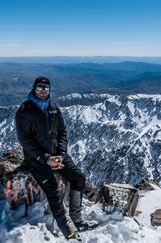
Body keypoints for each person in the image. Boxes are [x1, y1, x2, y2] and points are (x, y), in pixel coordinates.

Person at [15, 76, 94, 240]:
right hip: (36, 159)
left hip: (57, 155)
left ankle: (77, 220)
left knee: (78, 178)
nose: (42, 91)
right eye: (39, 88)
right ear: (34, 89)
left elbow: (62, 132)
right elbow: (26, 141)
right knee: (54, 192)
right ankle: (69, 232)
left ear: (49, 90)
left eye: (45, 88)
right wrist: (46, 159)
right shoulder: (25, 111)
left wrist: (62, 153)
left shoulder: (53, 108)